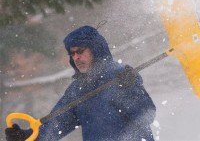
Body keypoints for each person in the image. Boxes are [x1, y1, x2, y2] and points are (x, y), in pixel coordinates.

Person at [5, 25, 156, 141]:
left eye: (80, 51)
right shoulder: (77, 90)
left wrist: (129, 89)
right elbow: (56, 124)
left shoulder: (122, 77)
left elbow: (146, 115)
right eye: (72, 53)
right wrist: (27, 137)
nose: (76, 57)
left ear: (96, 49)